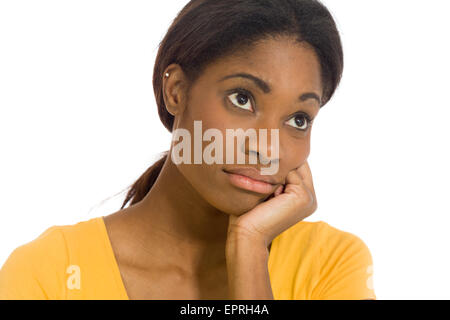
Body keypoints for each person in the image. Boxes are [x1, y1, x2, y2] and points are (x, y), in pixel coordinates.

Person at [0, 0, 376, 300]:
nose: (267, 149)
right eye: (242, 98)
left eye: (298, 119)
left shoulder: (329, 264)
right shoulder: (49, 273)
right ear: (176, 90)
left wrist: (250, 250)